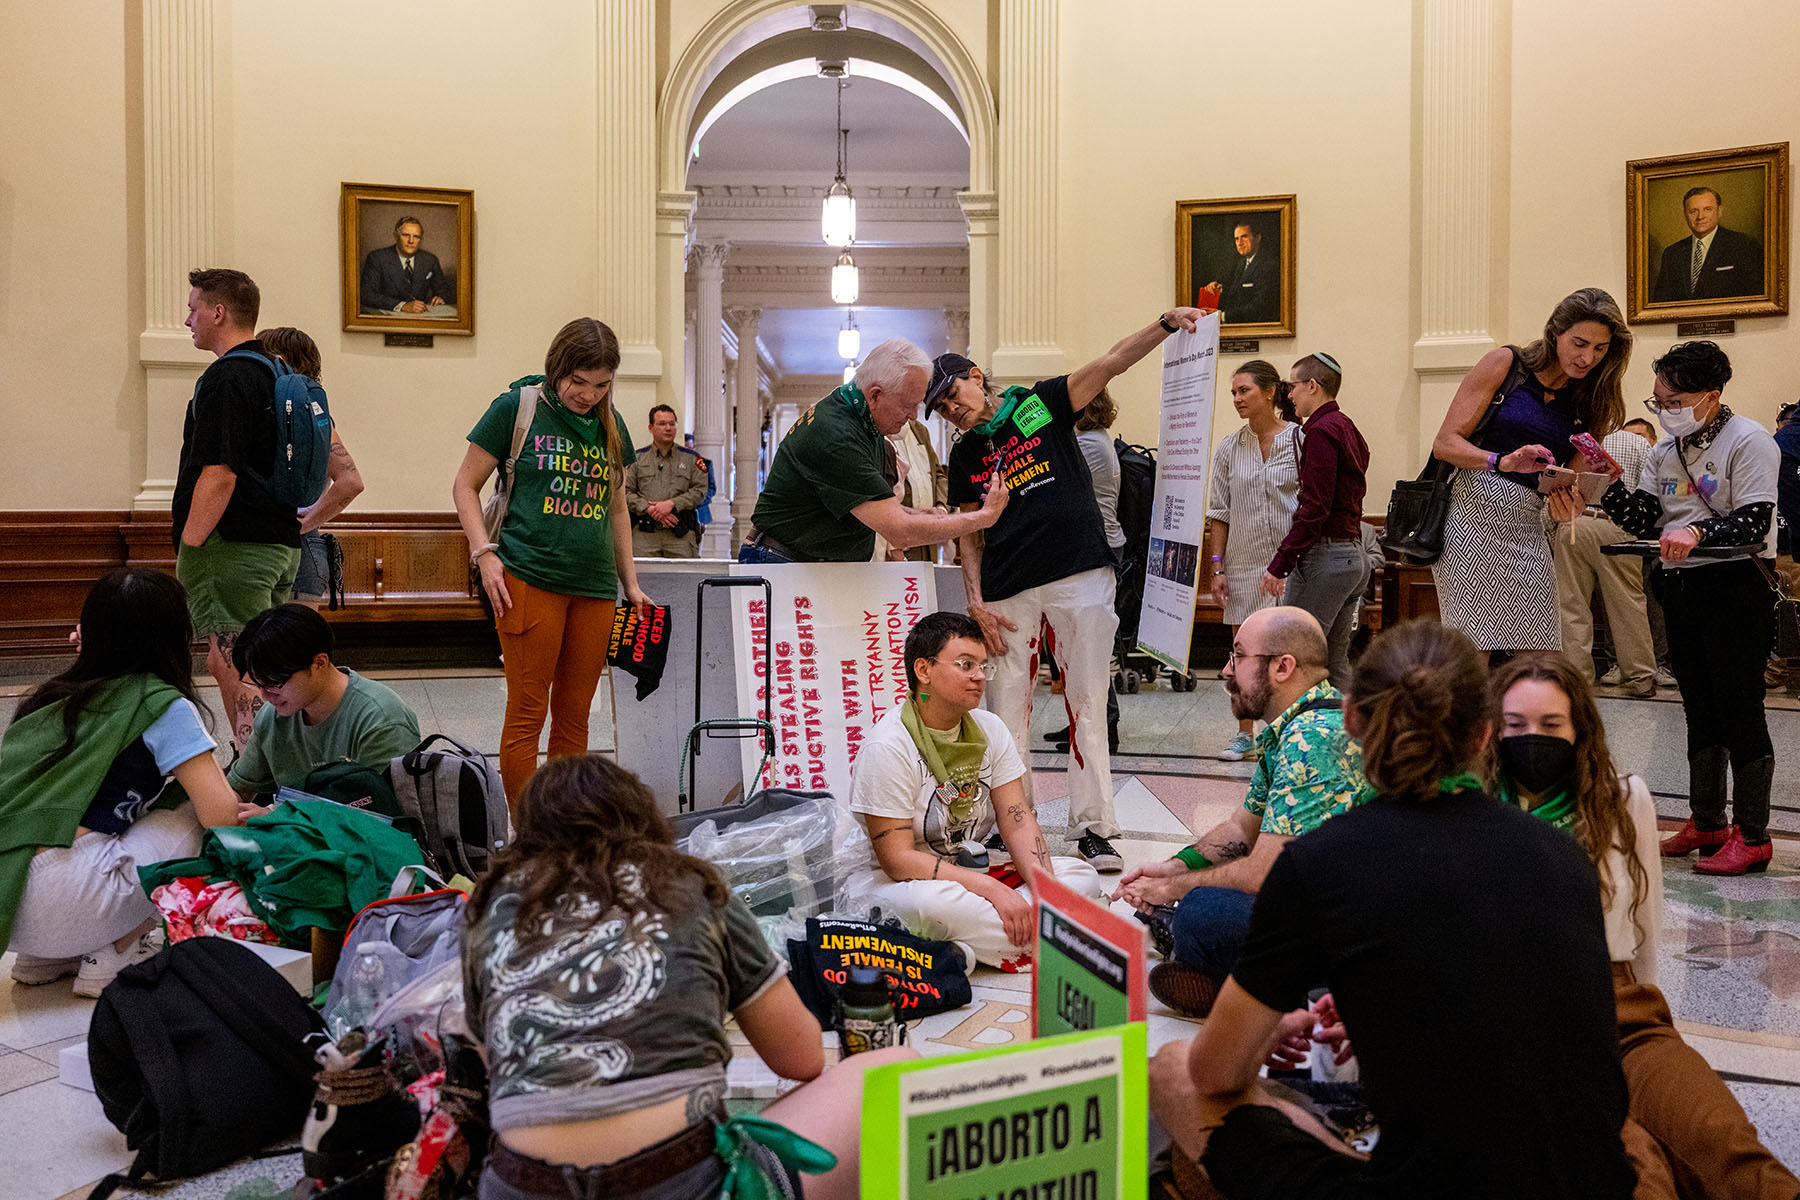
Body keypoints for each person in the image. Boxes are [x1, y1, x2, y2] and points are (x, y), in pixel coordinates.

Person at [1146, 619, 1635, 1199]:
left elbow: (1214, 1073)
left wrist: (1263, 1032)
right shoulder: (1564, 857)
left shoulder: (1322, 863)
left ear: (1352, 717)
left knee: (1174, 1068)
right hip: (1597, 1184)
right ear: (1484, 737)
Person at [463, 755, 909, 1200]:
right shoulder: (691, 885)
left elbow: (496, 1066)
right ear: (644, 817)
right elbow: (802, 1059)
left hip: (519, 1185)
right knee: (894, 1070)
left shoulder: (490, 908)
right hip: (678, 1180)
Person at [1488, 654, 1798, 1199]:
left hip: (1625, 1013)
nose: (1532, 737)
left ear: (1580, 728)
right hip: (1523, 1026)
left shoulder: (1623, 798)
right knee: (1635, 1168)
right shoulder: (1477, 813)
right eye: (1516, 726)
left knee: (1722, 1141)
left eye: (1551, 724)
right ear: (1492, 731)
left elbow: (1647, 927)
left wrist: (1659, 1023)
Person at [934, 308, 1207, 873]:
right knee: (1006, 711)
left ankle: (1094, 827)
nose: (950, 406)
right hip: (1009, 590)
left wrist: (1161, 324)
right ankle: (1010, 823)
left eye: (951, 391)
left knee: (1085, 702)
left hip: (1081, 573)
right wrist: (975, 601)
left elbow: (1109, 363)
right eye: (939, 406)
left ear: (976, 376)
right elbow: (968, 535)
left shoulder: (1037, 405)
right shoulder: (965, 453)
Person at [0, 569, 242, 997]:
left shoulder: (47, 696)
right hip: (69, 902)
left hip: (10, 904)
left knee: (98, 815)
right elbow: (222, 816)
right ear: (173, 636)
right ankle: (110, 952)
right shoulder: (162, 704)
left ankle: (44, 958)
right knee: (191, 808)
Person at [1114, 608, 1364, 1019]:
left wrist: (1176, 890)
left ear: (1283, 667)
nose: (1227, 670)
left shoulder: (1311, 738)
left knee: (1201, 914)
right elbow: (1240, 828)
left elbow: (1262, 872)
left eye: (1239, 656)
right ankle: (1221, 969)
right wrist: (1175, 867)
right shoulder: (1292, 726)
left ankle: (1275, 989)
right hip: (1328, 908)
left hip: (1354, 927)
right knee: (1204, 901)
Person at [451, 318, 652, 806]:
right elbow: (464, 486)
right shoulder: (515, 408)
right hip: (528, 577)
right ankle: (527, 836)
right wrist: (485, 556)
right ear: (557, 368)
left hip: (595, 586)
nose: (588, 394)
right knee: (526, 713)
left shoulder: (612, 421)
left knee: (575, 716)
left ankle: (563, 827)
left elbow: (618, 507)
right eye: (578, 382)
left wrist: (632, 582)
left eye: (602, 384)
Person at [1600, 341, 1780, 875]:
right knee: (1698, 707)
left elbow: (1753, 522)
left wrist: (1697, 529)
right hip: (1681, 588)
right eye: (1658, 401)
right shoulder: (1662, 453)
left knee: (1740, 707)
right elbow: (1646, 519)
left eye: (1675, 400)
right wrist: (1608, 484)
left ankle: (1753, 835)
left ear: (1710, 395)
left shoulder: (1749, 441)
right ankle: (1707, 822)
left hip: (1735, 588)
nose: (1666, 410)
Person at [843, 612, 1104, 972]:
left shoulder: (989, 728)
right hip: (906, 884)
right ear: (924, 671)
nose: (980, 676)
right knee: (935, 907)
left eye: (983, 666)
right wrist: (995, 893)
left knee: (1079, 877)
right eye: (966, 665)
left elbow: (1017, 819)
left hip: (972, 869)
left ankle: (961, 948)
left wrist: (1047, 890)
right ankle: (1046, 936)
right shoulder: (888, 746)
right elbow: (897, 860)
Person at [1429, 287, 1632, 660]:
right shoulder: (1507, 364)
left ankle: (1524, 721)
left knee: (1541, 657)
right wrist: (1501, 461)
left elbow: (1567, 486)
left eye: (1600, 349)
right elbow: (1445, 443)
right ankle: (1474, 721)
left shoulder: (1593, 397)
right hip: (1471, 517)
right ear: (1555, 333)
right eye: (1579, 343)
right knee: (1473, 654)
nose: (1587, 358)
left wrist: (1573, 501)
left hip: (1529, 524)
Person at [174, 267, 303, 752]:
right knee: (268, 665)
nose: (188, 319)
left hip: (231, 549)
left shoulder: (228, 377)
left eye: (193, 308)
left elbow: (219, 472)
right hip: (279, 543)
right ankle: (274, 769)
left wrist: (190, 544)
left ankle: (253, 774)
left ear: (218, 311)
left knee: (239, 665)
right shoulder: (279, 372)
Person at [743, 338, 1008, 563]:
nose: (914, 416)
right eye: (908, 404)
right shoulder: (837, 435)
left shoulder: (861, 418)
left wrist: (915, 513)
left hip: (807, 562)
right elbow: (900, 533)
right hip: (783, 561)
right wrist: (984, 517)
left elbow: (867, 506)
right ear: (876, 394)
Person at [225, 604, 421, 809]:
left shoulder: (382, 720)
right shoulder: (272, 717)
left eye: (275, 684)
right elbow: (238, 788)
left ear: (319, 663)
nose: (265, 697)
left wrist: (279, 819)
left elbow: (385, 817)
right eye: (258, 685)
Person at [1206, 361, 1302, 758]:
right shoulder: (1230, 447)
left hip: (1289, 564)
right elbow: (1219, 512)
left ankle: (1287, 732)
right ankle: (1244, 733)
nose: (1237, 399)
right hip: (1244, 566)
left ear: (1270, 392)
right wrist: (1218, 566)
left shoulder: (1300, 439)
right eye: (1233, 393)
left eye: (1244, 390)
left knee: (1288, 653)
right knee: (1244, 653)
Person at [1259, 353, 1370, 687]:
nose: (1289, 395)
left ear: (1312, 385)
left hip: (1326, 560)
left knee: (1293, 657)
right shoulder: (1347, 426)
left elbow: (1314, 508)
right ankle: (1352, 737)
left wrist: (1280, 563)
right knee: (1334, 663)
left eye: (1292, 386)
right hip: (1352, 557)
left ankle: (1298, 737)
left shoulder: (1320, 431)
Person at [256, 327, 365, 609]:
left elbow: (351, 482)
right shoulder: (315, 415)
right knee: (300, 649)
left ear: (278, 360)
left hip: (284, 550)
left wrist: (300, 526)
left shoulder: (287, 416)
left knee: (274, 650)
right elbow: (349, 480)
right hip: (307, 549)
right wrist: (307, 524)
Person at [1554, 423, 1658, 695]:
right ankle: (1641, 678)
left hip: (1574, 523)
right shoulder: (1641, 444)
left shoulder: (1581, 443)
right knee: (1628, 603)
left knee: (1571, 604)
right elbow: (1652, 490)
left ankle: (1577, 680)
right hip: (1617, 526)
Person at [1650, 187, 1764, 304]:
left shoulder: (1744, 245)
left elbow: (1756, 298)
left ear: (1719, 211)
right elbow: (1660, 303)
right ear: (1685, 214)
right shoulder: (1672, 253)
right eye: (1693, 211)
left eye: (1707, 209)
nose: (1700, 217)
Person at [623, 404, 708, 559]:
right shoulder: (637, 459)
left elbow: (700, 491)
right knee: (641, 579)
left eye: (672, 424)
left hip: (680, 534)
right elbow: (625, 492)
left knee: (685, 580)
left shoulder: (691, 458)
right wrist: (649, 509)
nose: (668, 428)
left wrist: (671, 504)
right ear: (651, 427)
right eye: (662, 424)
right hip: (645, 534)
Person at [360, 215, 452, 314]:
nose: (411, 241)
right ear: (396, 236)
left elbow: (443, 289)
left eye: (416, 236)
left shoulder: (430, 260)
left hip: (421, 318)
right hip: (388, 318)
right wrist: (401, 306)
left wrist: (440, 298)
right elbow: (366, 294)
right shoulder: (377, 258)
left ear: (421, 239)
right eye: (406, 235)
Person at [886, 416, 948, 563]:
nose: (913, 412)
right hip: (898, 538)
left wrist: (941, 508)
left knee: (926, 582)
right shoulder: (881, 434)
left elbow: (938, 474)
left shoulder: (920, 430)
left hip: (927, 535)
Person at [1205, 223, 1280, 325]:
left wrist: (1222, 316)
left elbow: (1260, 307)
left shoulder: (1269, 266)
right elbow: (1240, 291)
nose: (1239, 243)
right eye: (1236, 239)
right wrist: (1220, 289)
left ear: (1257, 238)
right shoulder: (1242, 263)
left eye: (1244, 237)